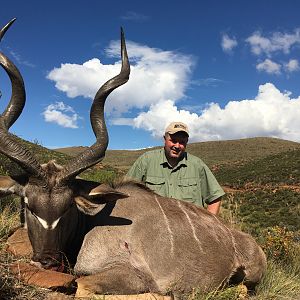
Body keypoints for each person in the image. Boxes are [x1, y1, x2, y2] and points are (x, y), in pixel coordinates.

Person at [126, 122, 225, 215]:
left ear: (187, 142)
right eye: (173, 141)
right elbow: (127, 191)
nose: (177, 146)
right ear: (165, 139)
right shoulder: (146, 160)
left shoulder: (197, 165)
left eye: (182, 142)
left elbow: (215, 198)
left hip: (189, 228)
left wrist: (207, 225)